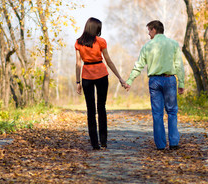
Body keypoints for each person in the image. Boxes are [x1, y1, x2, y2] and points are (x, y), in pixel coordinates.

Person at [125, 20, 185, 150]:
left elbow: (139, 65)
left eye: (149, 31)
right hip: (169, 80)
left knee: (157, 114)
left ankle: (160, 145)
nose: (148, 34)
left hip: (154, 81)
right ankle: (174, 143)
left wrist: (130, 81)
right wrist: (181, 82)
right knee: (172, 112)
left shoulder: (147, 46)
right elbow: (178, 65)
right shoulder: (173, 44)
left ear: (154, 29)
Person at [75, 17, 126, 150]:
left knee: (90, 110)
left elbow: (78, 63)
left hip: (86, 76)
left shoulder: (78, 42)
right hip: (102, 74)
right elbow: (108, 61)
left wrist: (78, 82)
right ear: (96, 28)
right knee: (101, 108)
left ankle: (94, 144)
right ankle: (103, 141)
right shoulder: (101, 41)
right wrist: (120, 78)